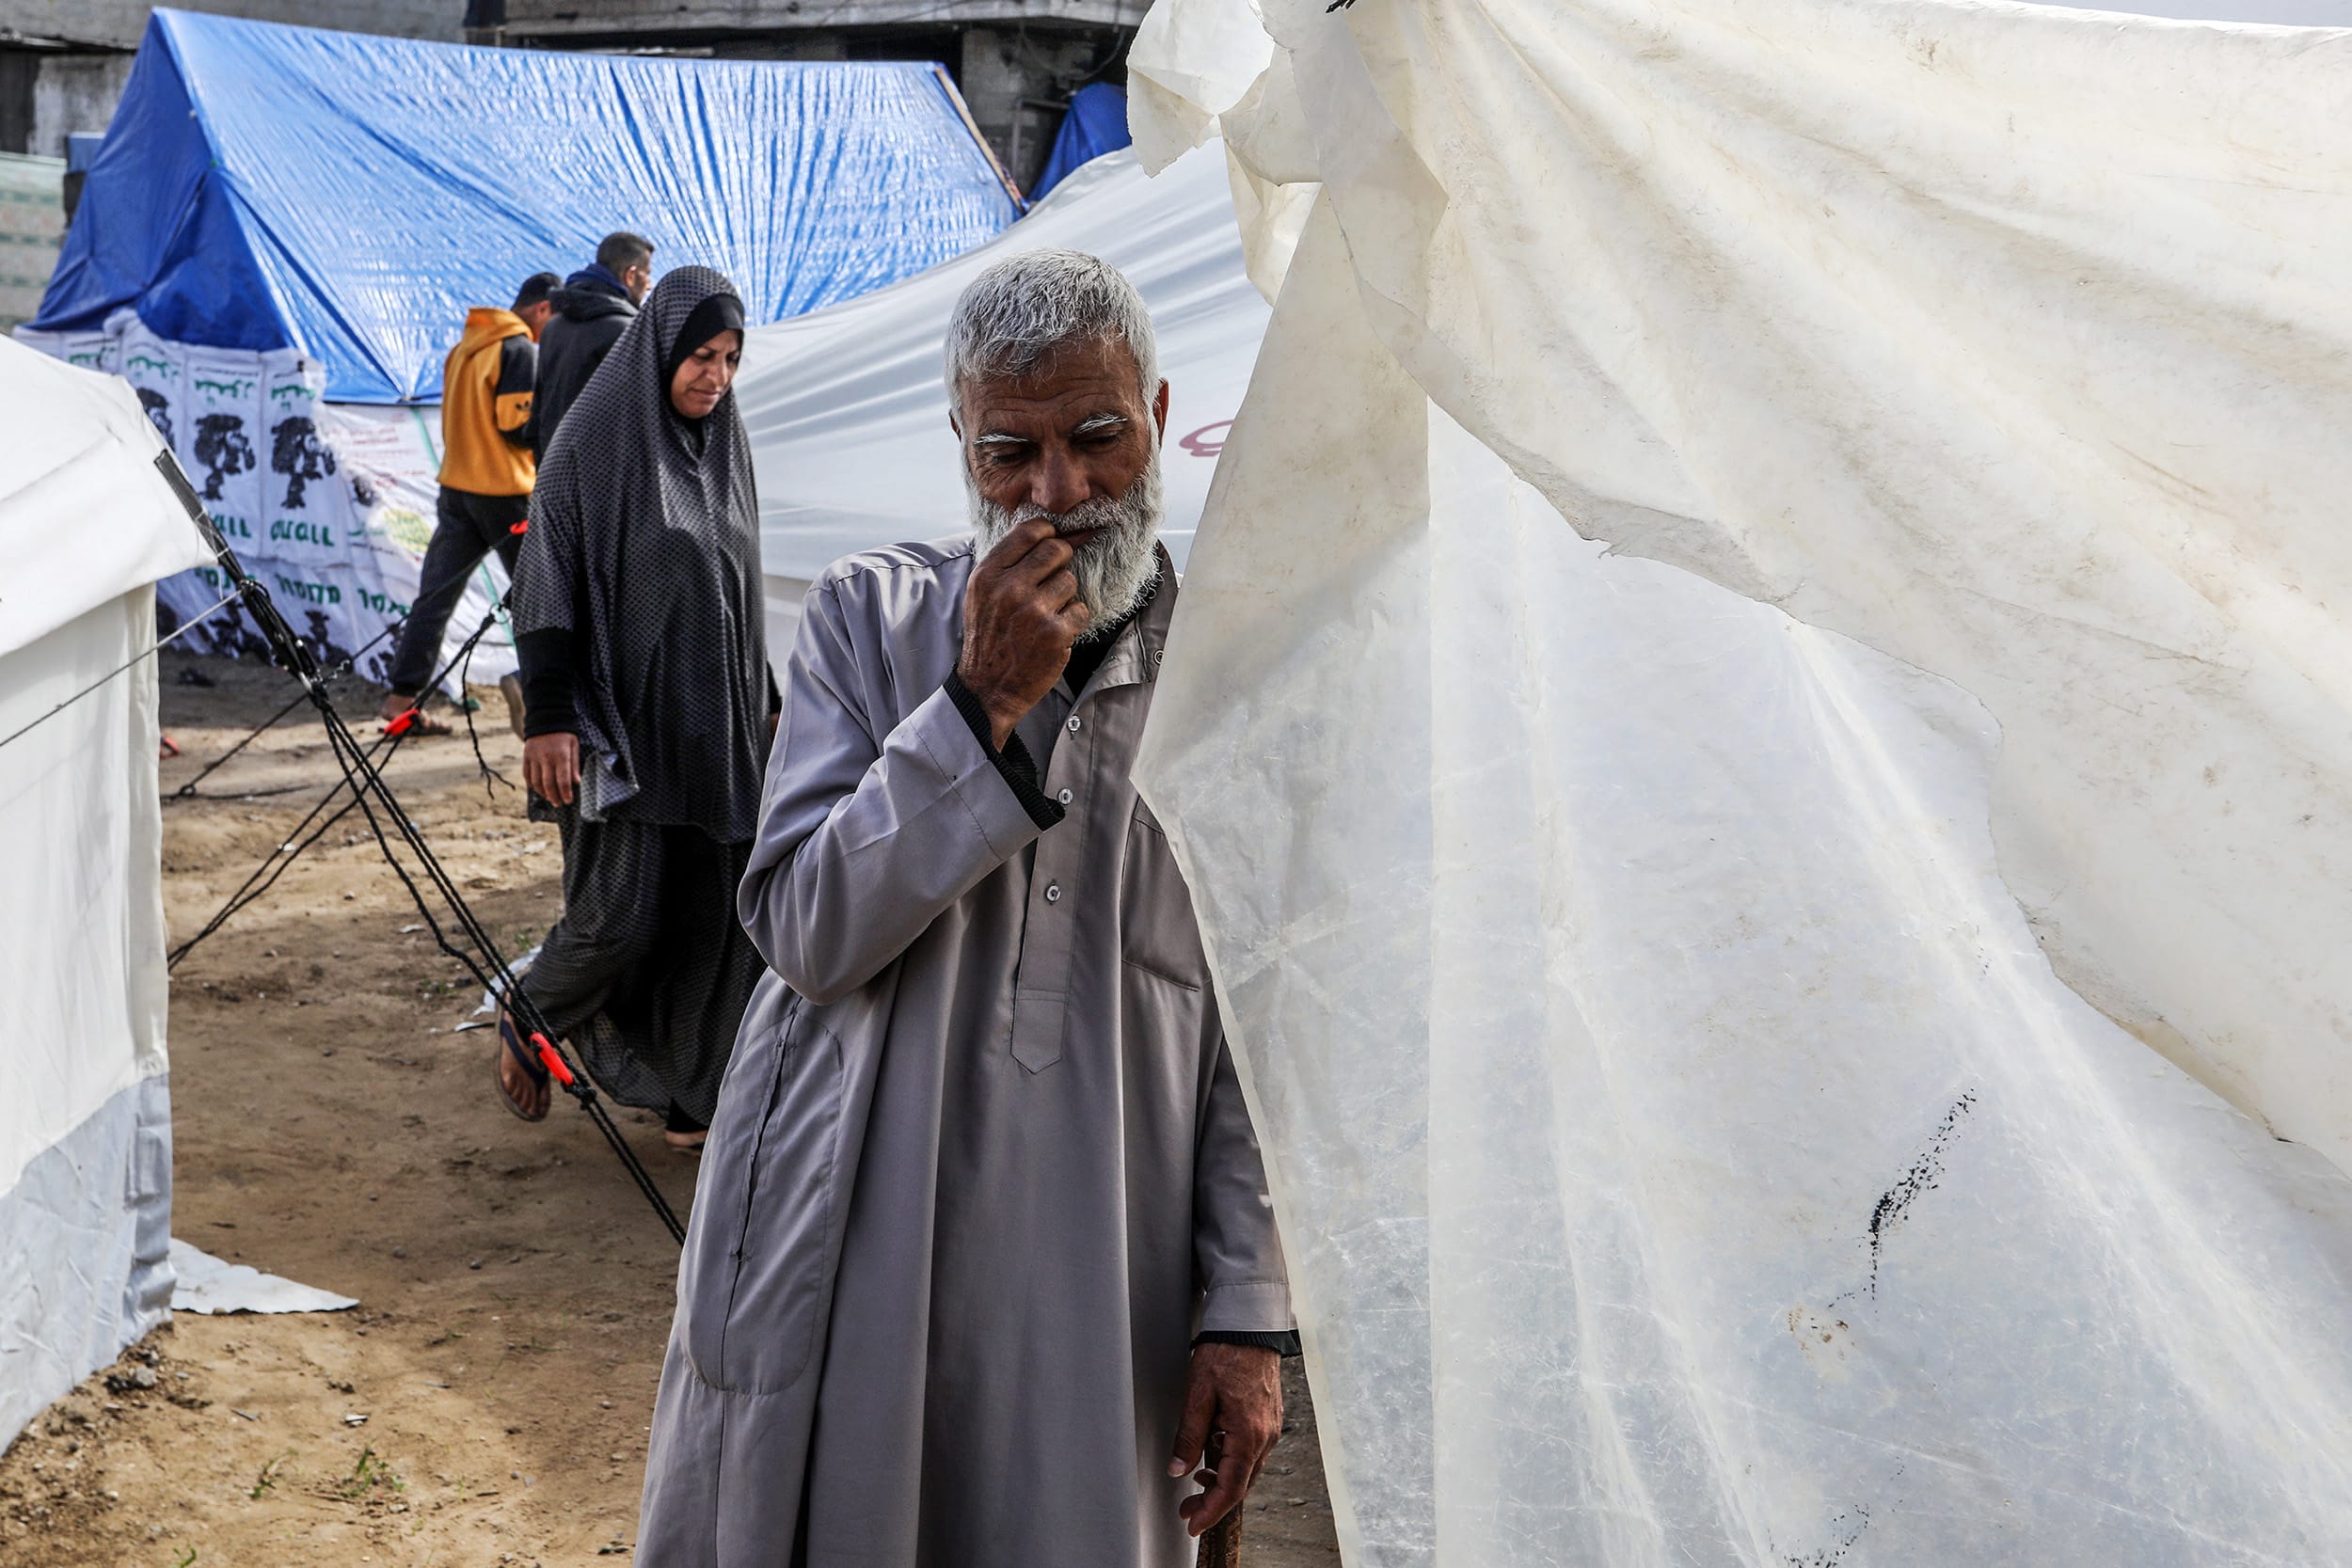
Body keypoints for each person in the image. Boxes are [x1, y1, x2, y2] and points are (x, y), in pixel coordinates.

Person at [635, 251, 1294, 1566]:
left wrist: (1248, 1313)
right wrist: (975, 711)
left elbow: (1261, 1025)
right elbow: (806, 930)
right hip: (861, 1244)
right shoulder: (869, 622)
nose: (1062, 493)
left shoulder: (1238, 669)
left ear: (1158, 419)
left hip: (1110, 1271)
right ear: (960, 444)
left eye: (1098, 438)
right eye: (1013, 451)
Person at [495, 267, 772, 1156]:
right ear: (658, 346)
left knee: (718, 920)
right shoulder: (593, 445)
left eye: (730, 358)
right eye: (700, 355)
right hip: (628, 731)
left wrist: (764, 711)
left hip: (716, 734)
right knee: (620, 912)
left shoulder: (726, 446)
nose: (715, 376)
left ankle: (695, 1095)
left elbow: (741, 592)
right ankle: (532, 1010)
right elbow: (545, 584)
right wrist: (549, 717)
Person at [377, 271, 557, 734]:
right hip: (506, 493)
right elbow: (514, 426)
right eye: (552, 320)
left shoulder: (464, 349)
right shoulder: (517, 350)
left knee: (434, 598)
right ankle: (537, 694)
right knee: (539, 600)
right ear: (542, 309)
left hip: (457, 488)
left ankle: (399, 702)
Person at [532, 230, 655, 464]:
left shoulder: (553, 327)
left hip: (552, 472)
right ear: (630, 275)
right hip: (604, 478)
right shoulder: (627, 332)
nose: (649, 285)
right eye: (647, 274)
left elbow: (537, 414)